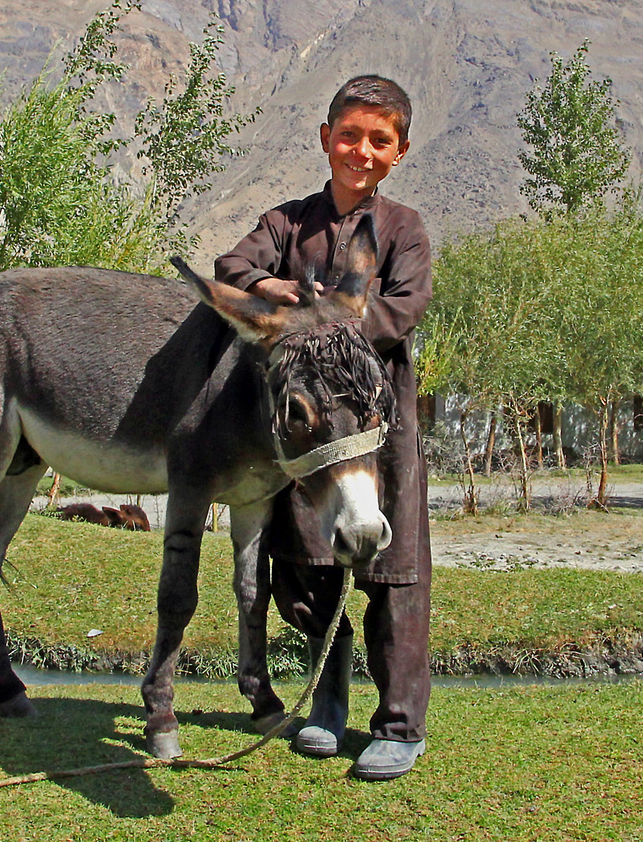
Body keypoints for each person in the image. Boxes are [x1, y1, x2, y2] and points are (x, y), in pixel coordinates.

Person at [215, 74, 432, 781]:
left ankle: (399, 724)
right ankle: (328, 709)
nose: (360, 151)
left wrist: (316, 321)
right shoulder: (286, 224)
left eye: (378, 140)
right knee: (308, 564)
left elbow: (398, 312)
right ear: (324, 138)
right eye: (349, 136)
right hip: (311, 438)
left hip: (380, 432)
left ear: (399, 150)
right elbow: (233, 266)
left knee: (393, 574)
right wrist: (268, 286)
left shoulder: (405, 231)